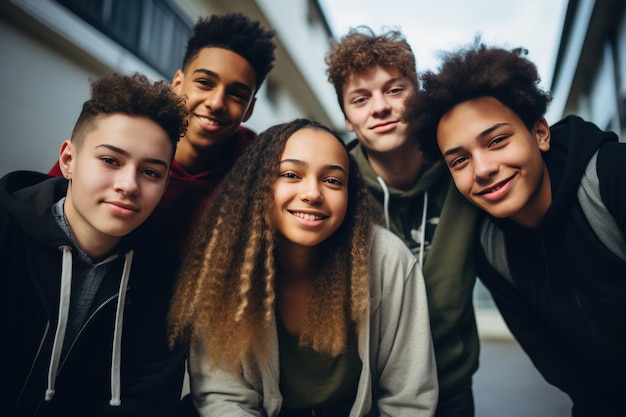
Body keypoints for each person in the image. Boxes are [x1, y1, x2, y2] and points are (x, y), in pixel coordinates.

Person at [406, 42, 626, 416]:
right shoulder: (492, 250)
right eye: (460, 160)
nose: (483, 168)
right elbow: (556, 361)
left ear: (540, 133)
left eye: (496, 141)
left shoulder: (611, 177)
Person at [167, 118, 438, 416]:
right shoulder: (226, 260)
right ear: (259, 185)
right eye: (291, 175)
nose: (312, 193)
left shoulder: (386, 259)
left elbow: (408, 400)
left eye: (333, 180)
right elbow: (223, 396)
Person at [1, 73, 188, 416]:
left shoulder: (162, 275)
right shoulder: (6, 229)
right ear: (68, 161)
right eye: (110, 160)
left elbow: (148, 399)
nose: (128, 185)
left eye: (150, 172)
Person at [325, 27, 478, 416]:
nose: (380, 107)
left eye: (394, 90)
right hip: (356, 391)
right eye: (361, 98)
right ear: (346, 117)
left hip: (451, 384)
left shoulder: (466, 170)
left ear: (418, 97)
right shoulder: (331, 187)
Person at [49, 12, 276, 251]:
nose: (216, 102)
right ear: (177, 83)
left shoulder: (259, 171)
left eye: (236, 95)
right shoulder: (128, 137)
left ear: (249, 108)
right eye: (205, 83)